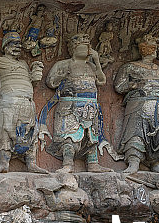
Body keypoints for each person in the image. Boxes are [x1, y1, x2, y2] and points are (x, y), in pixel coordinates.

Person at [42, 33, 111, 173]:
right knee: (69, 136)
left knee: (91, 136)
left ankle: (93, 163)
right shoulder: (64, 64)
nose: (88, 50)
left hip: (90, 106)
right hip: (70, 106)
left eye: (89, 47)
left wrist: (97, 61)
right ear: (74, 48)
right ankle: (67, 164)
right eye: (83, 47)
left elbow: (102, 80)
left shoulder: (91, 66)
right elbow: (51, 82)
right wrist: (63, 75)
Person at [0, 31, 46, 173]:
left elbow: (32, 82)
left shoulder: (23, 64)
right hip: (9, 101)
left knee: (31, 130)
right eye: (13, 43)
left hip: (27, 101)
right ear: (5, 46)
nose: (17, 47)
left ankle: (31, 163)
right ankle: (3, 163)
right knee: (4, 130)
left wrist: (36, 74)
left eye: (19, 44)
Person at [114, 35, 159, 174]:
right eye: (153, 48)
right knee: (136, 132)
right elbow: (119, 86)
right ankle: (134, 162)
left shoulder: (158, 69)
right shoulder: (130, 67)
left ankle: (157, 163)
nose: (155, 51)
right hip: (139, 105)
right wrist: (134, 85)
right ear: (145, 49)